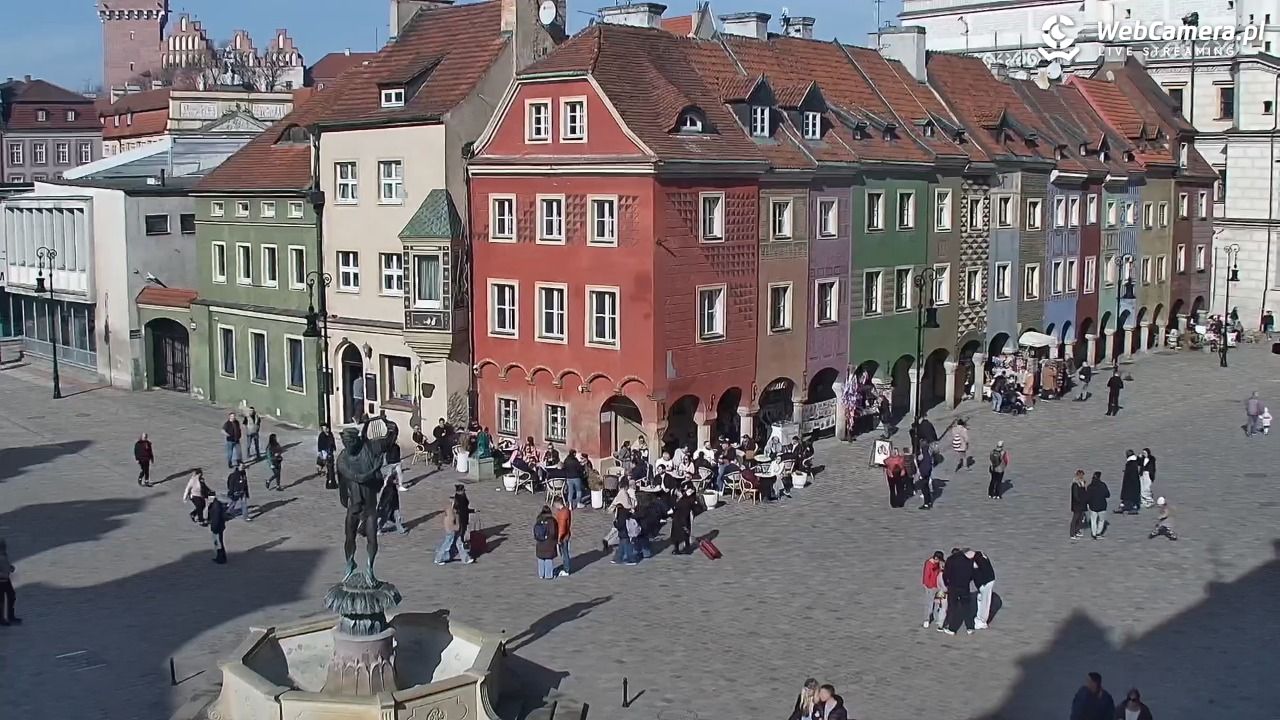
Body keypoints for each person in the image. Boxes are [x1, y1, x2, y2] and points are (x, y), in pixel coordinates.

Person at [942, 547, 975, 635]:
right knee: (966, 607)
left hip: (953, 587)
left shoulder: (950, 560)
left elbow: (945, 574)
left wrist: (946, 583)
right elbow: (972, 574)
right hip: (965, 587)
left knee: (953, 607)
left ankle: (952, 628)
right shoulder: (968, 561)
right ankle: (970, 627)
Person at [433, 495, 473, 565]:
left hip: (452, 530)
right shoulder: (452, 512)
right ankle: (438, 558)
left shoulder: (450, 510)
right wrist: (456, 527)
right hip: (452, 531)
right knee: (446, 544)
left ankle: (465, 559)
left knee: (458, 543)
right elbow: (452, 523)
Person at [922, 550, 947, 629]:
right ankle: (927, 619)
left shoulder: (940, 563)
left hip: (939, 586)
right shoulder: (929, 563)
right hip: (931, 587)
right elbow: (926, 576)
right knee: (929, 603)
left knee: (937, 602)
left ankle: (936, 617)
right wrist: (929, 586)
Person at [972, 550, 996, 630]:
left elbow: (984, 570)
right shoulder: (980, 556)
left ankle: (982, 621)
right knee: (981, 600)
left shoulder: (977, 560)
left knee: (985, 602)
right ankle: (979, 618)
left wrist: (983, 584)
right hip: (986, 582)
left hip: (985, 583)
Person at [533, 506, 558, 579]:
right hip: (549, 543)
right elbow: (553, 533)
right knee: (548, 559)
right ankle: (548, 575)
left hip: (540, 543)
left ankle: (541, 574)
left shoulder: (539, 519)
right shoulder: (552, 520)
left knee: (541, 559)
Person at [0, 538, 19, 625]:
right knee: (1, 600)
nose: (4, 547)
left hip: (6, 580)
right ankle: (2, 619)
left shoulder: (4, 555)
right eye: (3, 546)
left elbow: (5, 565)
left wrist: (10, 568)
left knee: (11, 596)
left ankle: (10, 616)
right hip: (1, 581)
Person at [1086, 471, 1110, 539]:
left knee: (1093, 520)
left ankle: (1094, 533)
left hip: (1092, 506)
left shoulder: (1090, 486)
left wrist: (1087, 503)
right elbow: (1107, 495)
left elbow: (1087, 497)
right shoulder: (1103, 485)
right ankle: (1098, 533)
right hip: (1102, 506)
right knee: (1101, 520)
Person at [552, 499, 572, 576]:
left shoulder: (562, 513)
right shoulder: (566, 510)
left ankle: (566, 569)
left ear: (557, 504)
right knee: (564, 552)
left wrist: (559, 538)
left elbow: (562, 527)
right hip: (566, 535)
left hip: (563, 537)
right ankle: (565, 567)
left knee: (564, 553)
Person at [207, 491, 228, 564]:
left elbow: (216, 519)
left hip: (217, 528)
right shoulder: (215, 504)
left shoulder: (215, 506)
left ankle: (220, 558)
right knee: (220, 542)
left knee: (218, 543)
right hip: (220, 526)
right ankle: (222, 557)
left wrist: (214, 529)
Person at [1118, 450, 1141, 515]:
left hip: (1130, 483)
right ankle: (1128, 506)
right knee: (1130, 495)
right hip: (1132, 482)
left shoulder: (1131, 463)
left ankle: (1132, 507)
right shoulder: (1133, 462)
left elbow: (1132, 474)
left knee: (1129, 495)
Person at [1070, 470, 1088, 540]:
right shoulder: (1075, 484)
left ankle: (1077, 531)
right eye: (1081, 475)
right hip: (1077, 505)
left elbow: (1084, 493)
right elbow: (1075, 496)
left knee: (1080, 518)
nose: (1082, 477)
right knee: (1075, 519)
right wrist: (1080, 501)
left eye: (1082, 475)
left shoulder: (1082, 483)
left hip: (1082, 504)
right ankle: (1072, 533)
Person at [916, 444, 935, 510]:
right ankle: (928, 502)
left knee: (925, 490)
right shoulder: (927, 456)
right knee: (926, 489)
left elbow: (926, 467)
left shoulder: (925, 457)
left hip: (924, 476)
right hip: (926, 475)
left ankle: (926, 504)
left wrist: (922, 475)